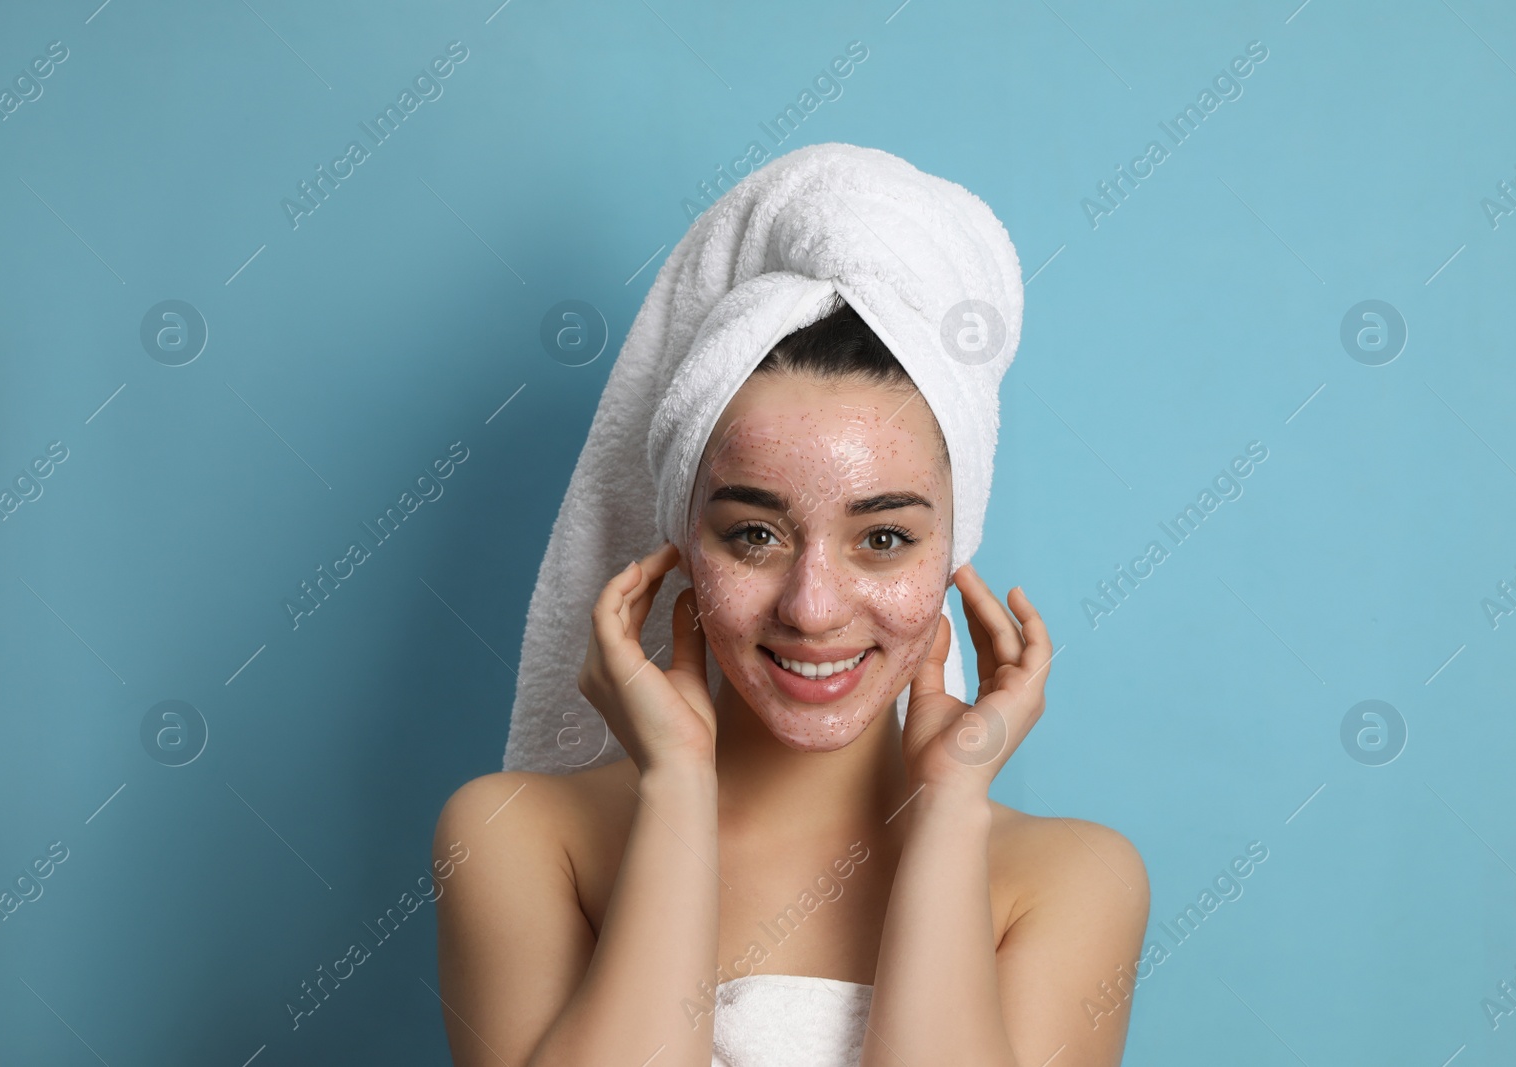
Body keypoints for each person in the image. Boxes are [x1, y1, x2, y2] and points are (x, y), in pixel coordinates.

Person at [434, 291, 1149, 1066]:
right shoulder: (518, 838)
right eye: (754, 534)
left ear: (951, 556)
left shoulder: (1071, 881)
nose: (812, 608)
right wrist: (675, 786)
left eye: (882, 536)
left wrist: (947, 810)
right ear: (681, 550)